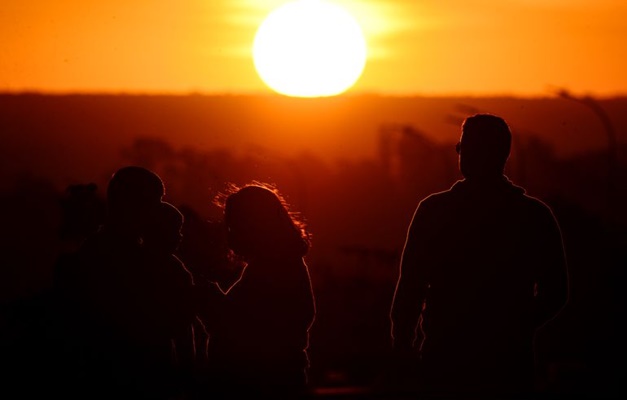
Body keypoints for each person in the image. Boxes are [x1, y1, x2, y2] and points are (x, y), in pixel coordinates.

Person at [389, 114, 569, 398]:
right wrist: (515, 326)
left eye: (466, 147)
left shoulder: (434, 212)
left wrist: (403, 346)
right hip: (507, 364)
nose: (463, 153)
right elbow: (555, 293)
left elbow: (410, 288)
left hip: (446, 360)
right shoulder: (533, 216)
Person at [53, 166, 166, 399]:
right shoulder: (124, 258)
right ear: (134, 205)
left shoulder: (94, 250)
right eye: (155, 203)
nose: (159, 212)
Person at [202, 183, 316, 399]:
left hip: (263, 383)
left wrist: (208, 298)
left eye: (235, 223)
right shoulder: (283, 265)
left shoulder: (275, 270)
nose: (230, 231)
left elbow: (242, 327)